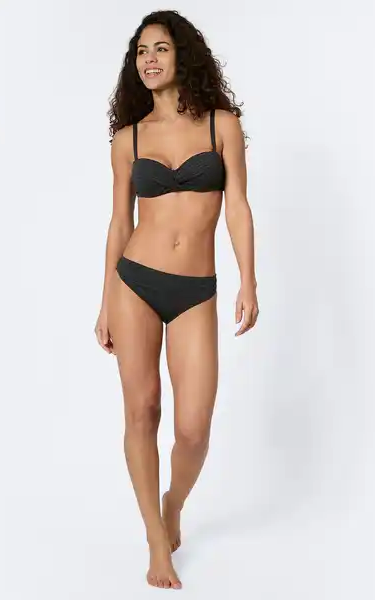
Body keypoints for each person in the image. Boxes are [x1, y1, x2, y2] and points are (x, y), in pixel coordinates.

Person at [94, 9, 259, 590]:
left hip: (195, 291)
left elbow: (237, 208)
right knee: (142, 411)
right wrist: (104, 301)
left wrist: (249, 280)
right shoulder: (129, 139)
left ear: (182, 55)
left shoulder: (221, 126)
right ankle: (155, 540)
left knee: (192, 428)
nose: (149, 60)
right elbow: (120, 223)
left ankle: (174, 503)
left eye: (160, 49)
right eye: (141, 52)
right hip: (134, 283)